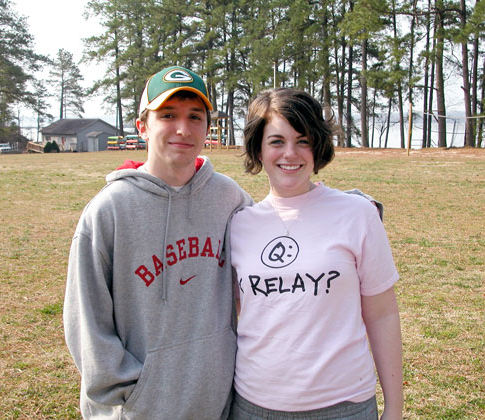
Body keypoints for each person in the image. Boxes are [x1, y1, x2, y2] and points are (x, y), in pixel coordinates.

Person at [63, 65, 253, 419]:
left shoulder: (229, 197)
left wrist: (332, 206)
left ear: (208, 128)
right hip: (137, 408)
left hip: (215, 403)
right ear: (142, 126)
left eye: (195, 116)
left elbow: (278, 235)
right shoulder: (110, 210)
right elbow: (86, 320)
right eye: (168, 115)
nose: (183, 128)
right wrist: (133, 394)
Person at [229, 88, 403, 420]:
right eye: (277, 141)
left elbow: (382, 315)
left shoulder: (357, 214)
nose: (290, 154)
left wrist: (394, 407)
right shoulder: (239, 225)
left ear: (318, 145)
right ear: (258, 148)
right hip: (254, 407)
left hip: (344, 406)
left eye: (303, 140)